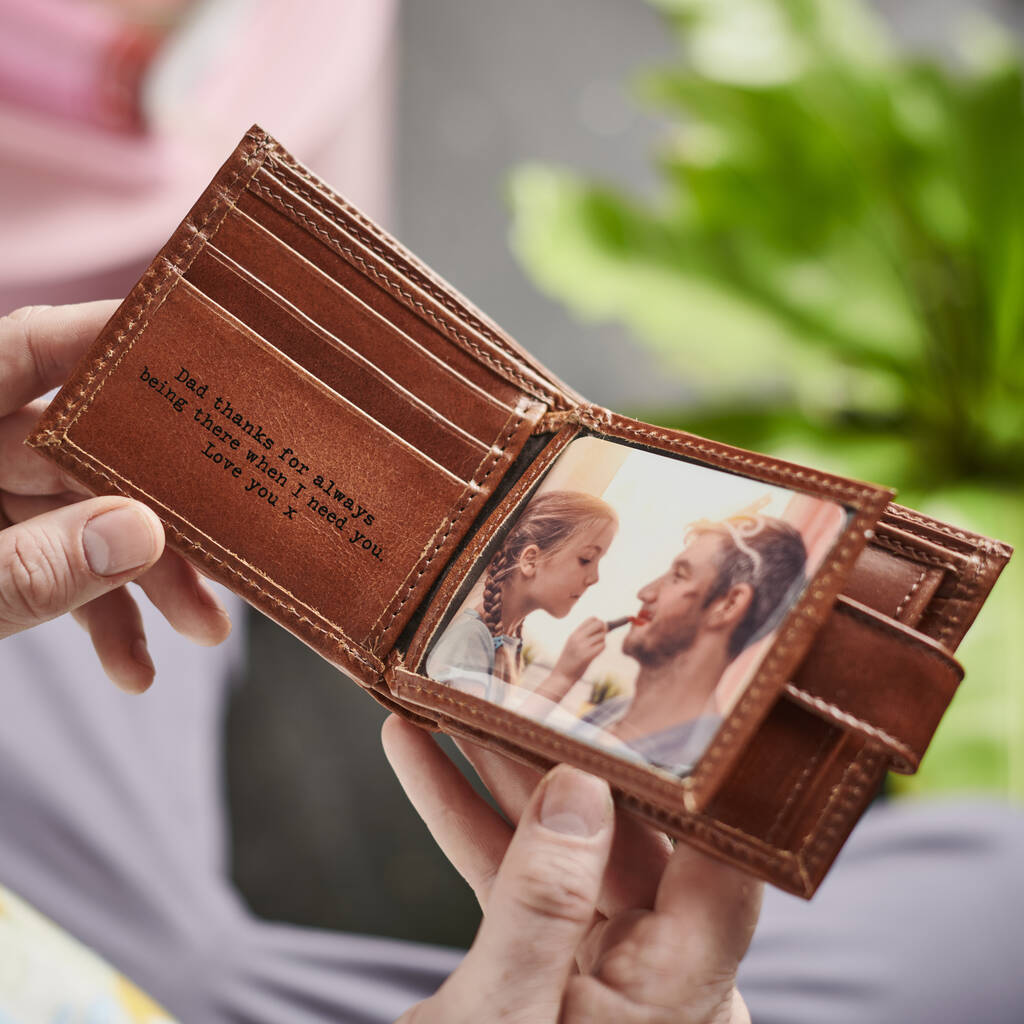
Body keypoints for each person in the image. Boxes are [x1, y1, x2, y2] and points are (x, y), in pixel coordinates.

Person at [0, 302, 758, 1020]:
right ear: (528, 559)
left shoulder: (511, 646)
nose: (606, 581)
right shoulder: (476, 648)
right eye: (590, 560)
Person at [580, 515, 807, 776]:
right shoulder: (607, 712)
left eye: (678, 576)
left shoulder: (697, 768)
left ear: (729, 605)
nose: (645, 592)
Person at [426, 490, 617, 708]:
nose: (594, 578)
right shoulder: (469, 640)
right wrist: (562, 677)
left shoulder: (508, 642)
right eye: (586, 559)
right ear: (530, 560)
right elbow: (484, 737)